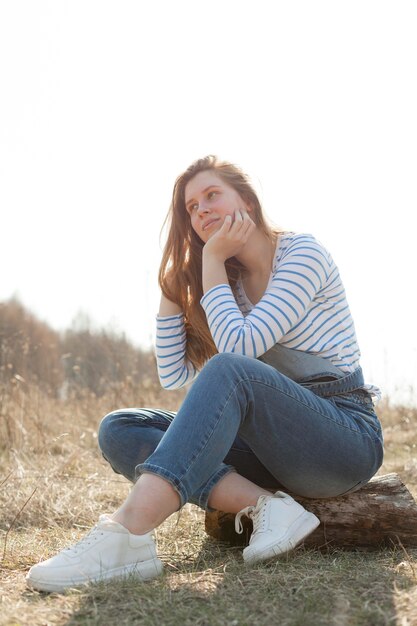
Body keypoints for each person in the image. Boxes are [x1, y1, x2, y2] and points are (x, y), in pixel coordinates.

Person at [26, 155, 384, 593]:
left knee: (230, 368)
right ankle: (268, 508)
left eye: (212, 195)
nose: (201, 211)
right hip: (268, 454)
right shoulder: (225, 287)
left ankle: (128, 535)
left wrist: (211, 261)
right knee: (121, 428)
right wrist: (171, 294)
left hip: (341, 442)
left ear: (247, 202)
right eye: (192, 207)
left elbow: (239, 351)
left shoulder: (301, 254)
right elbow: (173, 374)